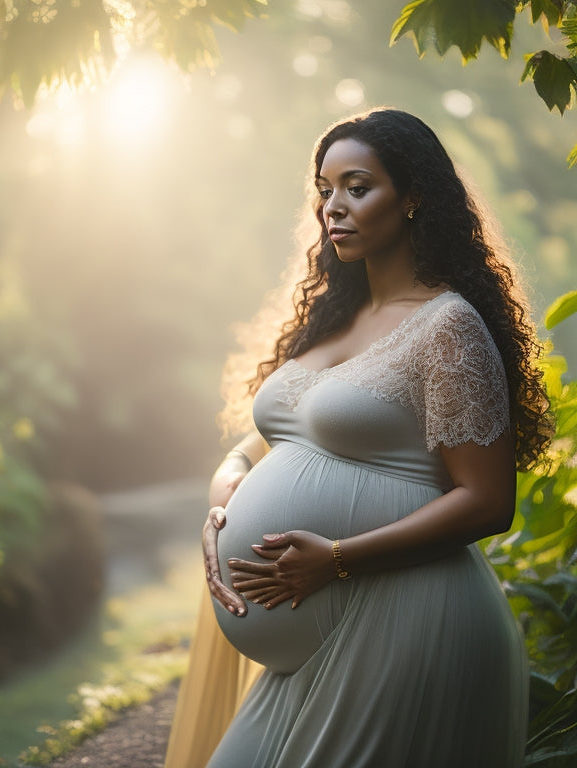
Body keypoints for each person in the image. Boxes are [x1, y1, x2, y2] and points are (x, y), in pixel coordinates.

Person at [164, 108, 552, 768]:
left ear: (413, 199)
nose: (332, 208)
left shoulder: (446, 327)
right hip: (319, 646)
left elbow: (489, 502)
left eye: (356, 186)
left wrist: (336, 558)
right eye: (324, 190)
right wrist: (224, 496)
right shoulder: (334, 321)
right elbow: (262, 446)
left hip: (408, 620)